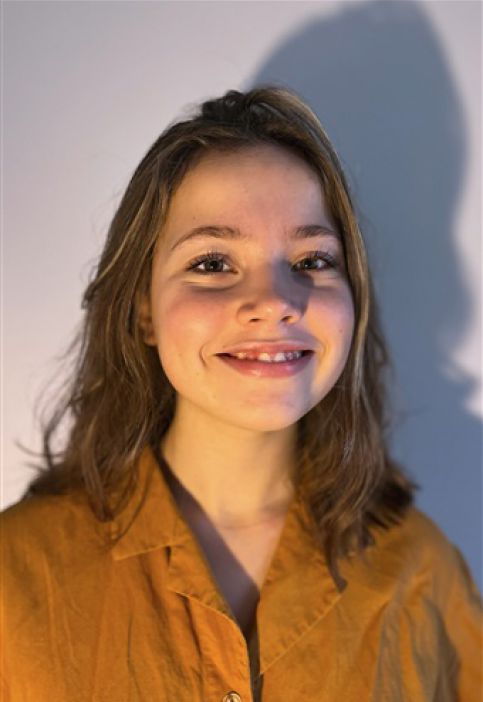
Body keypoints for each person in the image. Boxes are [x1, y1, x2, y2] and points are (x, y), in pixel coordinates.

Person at [1, 85, 481, 702]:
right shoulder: (15, 575)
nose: (276, 301)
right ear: (144, 311)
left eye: (311, 261)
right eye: (212, 264)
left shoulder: (424, 574)